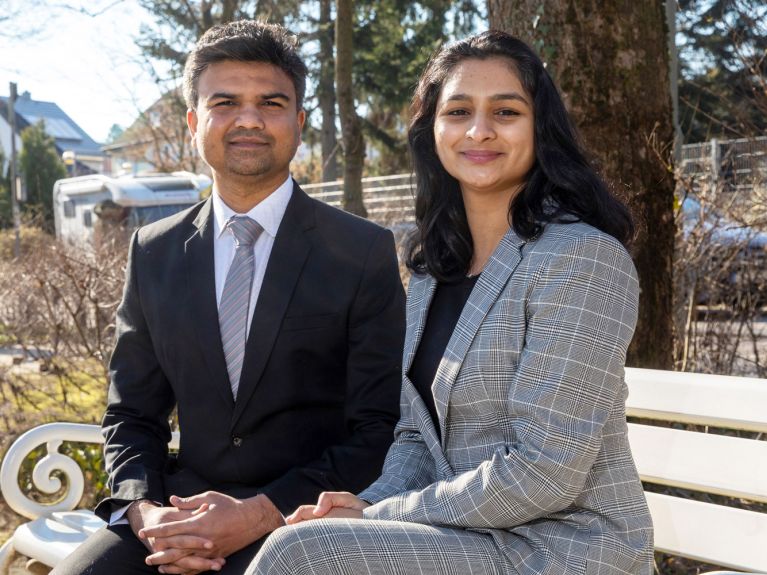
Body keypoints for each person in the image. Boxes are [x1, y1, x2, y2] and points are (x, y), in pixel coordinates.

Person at [247, 30, 654, 575]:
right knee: (310, 538)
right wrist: (368, 502)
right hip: (467, 539)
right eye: (458, 110)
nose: (479, 130)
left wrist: (381, 516)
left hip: (567, 547)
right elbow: (417, 435)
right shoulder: (434, 268)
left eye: (506, 111)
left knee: (302, 556)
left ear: (541, 127)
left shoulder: (581, 259)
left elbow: (545, 473)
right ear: (432, 129)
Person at [53, 20, 405, 575]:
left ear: (299, 121)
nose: (248, 119)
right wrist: (144, 513)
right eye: (225, 102)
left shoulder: (362, 251)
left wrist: (260, 513)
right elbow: (131, 414)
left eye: (270, 102)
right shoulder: (154, 250)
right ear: (195, 122)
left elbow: (378, 428)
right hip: (177, 513)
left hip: (302, 524)